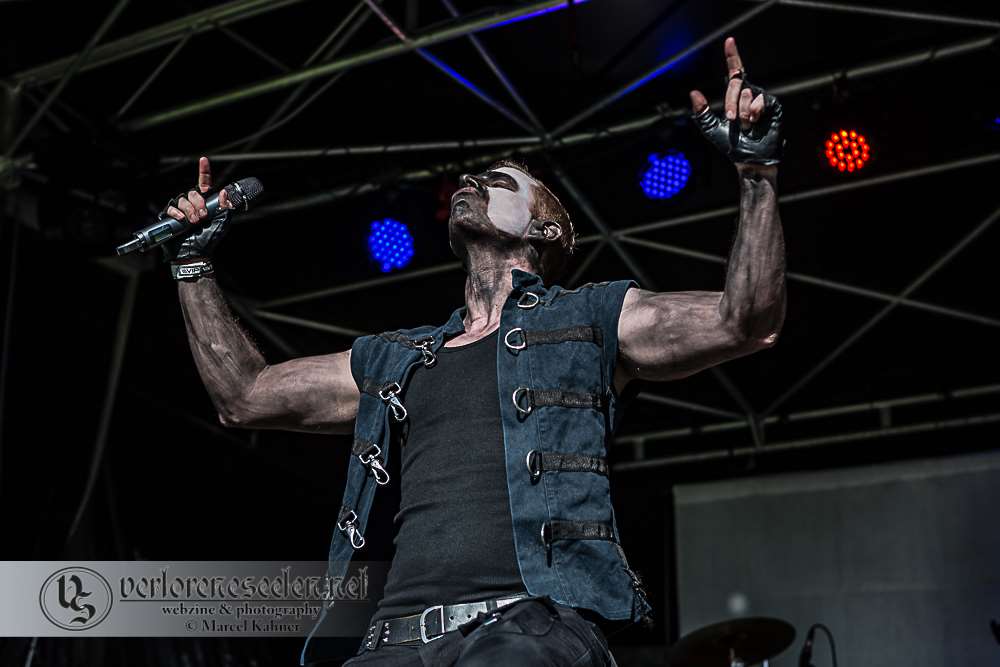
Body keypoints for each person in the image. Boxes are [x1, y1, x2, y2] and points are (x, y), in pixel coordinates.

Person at [161, 37, 785, 667]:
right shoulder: (400, 358)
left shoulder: (589, 316)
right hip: (397, 641)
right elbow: (244, 396)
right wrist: (192, 266)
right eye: (471, 178)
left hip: (530, 626)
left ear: (544, 229)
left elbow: (745, 321)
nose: (469, 182)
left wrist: (756, 175)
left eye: (496, 182)